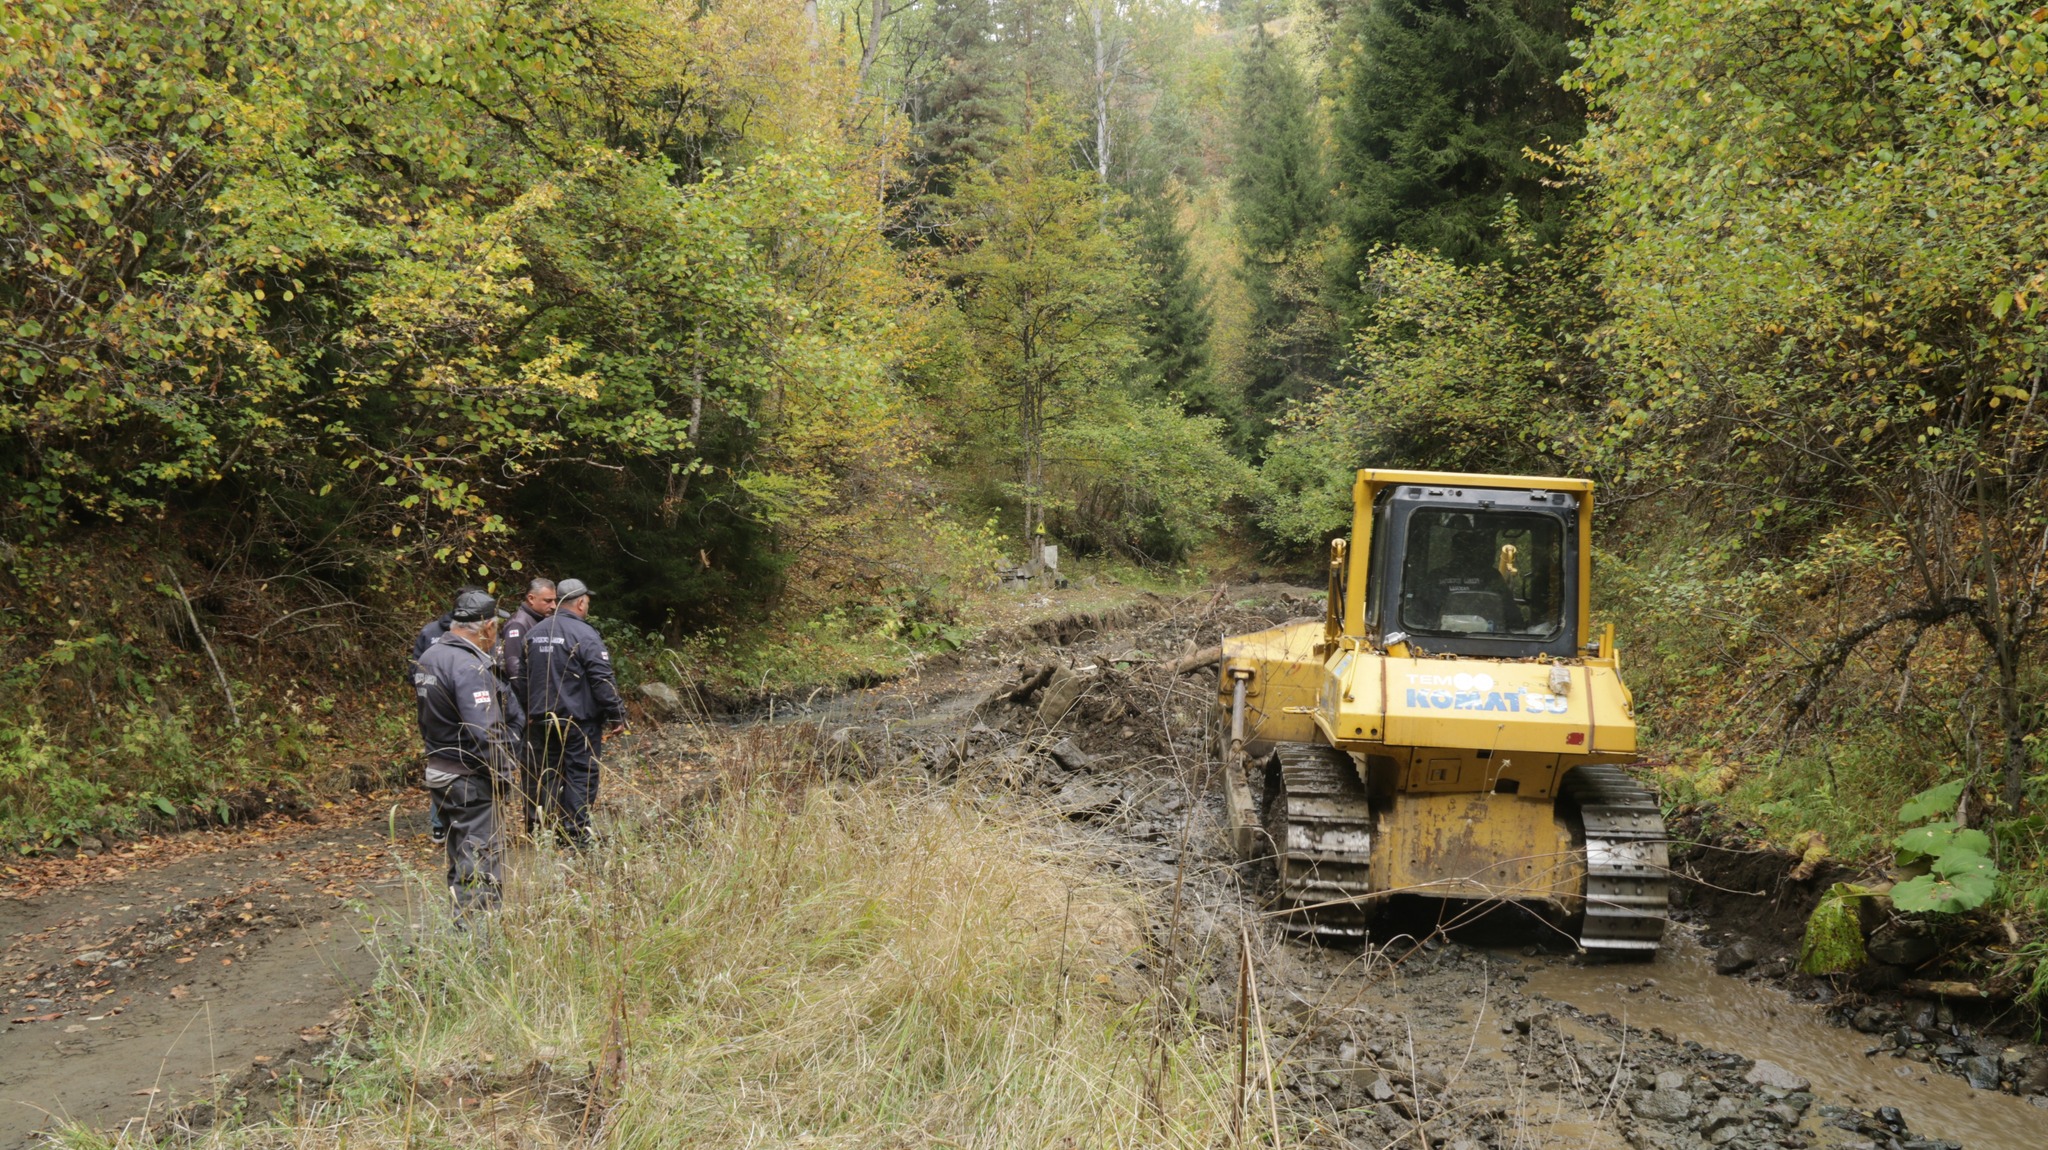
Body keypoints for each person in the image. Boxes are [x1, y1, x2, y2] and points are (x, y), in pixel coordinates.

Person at [413, 588, 521, 914]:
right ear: (487, 627)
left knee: (461, 859)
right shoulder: (468, 666)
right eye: (496, 629)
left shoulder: (430, 657)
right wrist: (504, 777)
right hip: (469, 780)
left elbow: (425, 719)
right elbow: (485, 731)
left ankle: (462, 941)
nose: (497, 635)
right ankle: (478, 948)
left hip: (440, 772)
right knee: (481, 866)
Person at [520, 578, 627, 847]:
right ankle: (576, 834)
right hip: (578, 722)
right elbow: (602, 678)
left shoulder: (535, 633)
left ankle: (548, 831)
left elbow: (522, 678)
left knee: (549, 774)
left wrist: (527, 711)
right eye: (587, 602)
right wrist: (616, 714)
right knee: (581, 774)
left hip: (541, 720)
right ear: (580, 603)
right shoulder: (585, 634)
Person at [409, 585, 485, 845]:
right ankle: (439, 824)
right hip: (436, 711)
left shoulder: (480, 637)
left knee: (452, 767)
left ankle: (454, 825)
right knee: (443, 761)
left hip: (465, 712)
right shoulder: (430, 632)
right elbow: (414, 670)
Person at [497, 578, 557, 833]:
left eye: (555, 600)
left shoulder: (541, 622)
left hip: (542, 709)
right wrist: (528, 710)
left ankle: (549, 820)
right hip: (527, 712)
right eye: (548, 600)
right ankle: (535, 825)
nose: (553, 605)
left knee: (547, 765)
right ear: (531, 599)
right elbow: (514, 671)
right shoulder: (518, 624)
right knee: (533, 768)